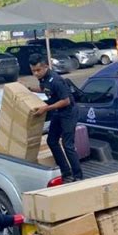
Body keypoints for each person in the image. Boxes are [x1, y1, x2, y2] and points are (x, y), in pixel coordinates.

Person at [28, 53, 83, 183]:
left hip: (68, 113)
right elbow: (45, 89)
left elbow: (66, 101)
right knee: (51, 141)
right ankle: (65, 171)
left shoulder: (56, 80)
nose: (36, 73)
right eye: (33, 71)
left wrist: (45, 109)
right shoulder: (43, 78)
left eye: (38, 70)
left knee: (67, 144)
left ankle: (78, 176)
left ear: (46, 66)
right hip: (57, 112)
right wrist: (29, 89)